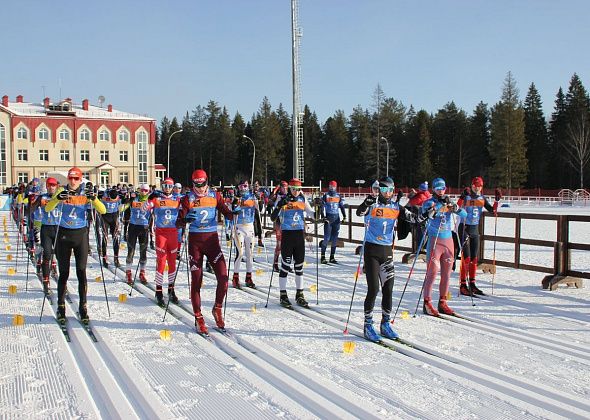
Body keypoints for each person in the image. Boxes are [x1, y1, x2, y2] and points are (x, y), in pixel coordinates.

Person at [356, 177, 424, 342]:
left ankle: (385, 324)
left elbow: (415, 219)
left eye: (391, 190)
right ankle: (368, 325)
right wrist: (367, 201)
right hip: (372, 251)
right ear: (379, 190)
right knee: (373, 289)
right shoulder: (373, 204)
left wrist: (430, 213)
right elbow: (360, 212)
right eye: (385, 190)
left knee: (388, 289)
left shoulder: (396, 207)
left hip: (387, 252)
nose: (388, 193)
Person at [177, 169, 235, 334]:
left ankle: (217, 308)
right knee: (196, 280)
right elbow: (178, 222)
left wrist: (233, 213)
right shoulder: (187, 198)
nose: (200, 188)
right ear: (193, 183)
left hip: (212, 243)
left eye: (202, 184)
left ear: (206, 181)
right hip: (195, 243)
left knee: (224, 278)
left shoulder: (215, 195)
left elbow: (225, 211)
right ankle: (198, 316)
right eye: (197, 184)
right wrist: (184, 220)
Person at [45, 167, 106, 323]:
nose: (72, 181)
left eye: (76, 179)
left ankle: (83, 307)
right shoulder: (61, 191)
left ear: (80, 179)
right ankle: (61, 307)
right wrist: (57, 199)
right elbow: (47, 208)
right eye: (70, 178)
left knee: (81, 272)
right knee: (64, 273)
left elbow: (103, 210)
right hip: (64, 235)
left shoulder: (85, 193)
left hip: (80, 235)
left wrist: (94, 198)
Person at [420, 178, 467, 316]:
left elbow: (464, 215)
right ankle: (427, 302)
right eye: (438, 188)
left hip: (448, 241)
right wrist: (440, 206)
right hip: (435, 240)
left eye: (443, 188)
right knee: (432, 273)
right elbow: (427, 214)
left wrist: (455, 208)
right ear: (433, 189)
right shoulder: (429, 202)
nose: (441, 191)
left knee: (447, 273)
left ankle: (442, 302)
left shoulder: (448, 200)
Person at [270, 178, 316, 308]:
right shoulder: (283, 198)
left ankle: (299, 294)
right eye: (294, 189)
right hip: (288, 235)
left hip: (299, 235)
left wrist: (318, 212)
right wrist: (280, 205)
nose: (296, 192)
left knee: (299, 267)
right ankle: (283, 295)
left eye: (298, 189)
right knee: (285, 266)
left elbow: (311, 213)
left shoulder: (302, 198)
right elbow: (273, 217)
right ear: (290, 188)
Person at [457, 177, 500, 296]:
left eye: (479, 186)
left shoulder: (482, 198)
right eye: (475, 186)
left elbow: (493, 211)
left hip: (475, 229)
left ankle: (472, 283)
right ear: (471, 186)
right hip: (464, 228)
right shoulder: (467, 195)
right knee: (466, 258)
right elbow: (457, 207)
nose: (477, 188)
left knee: (474, 258)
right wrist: (462, 196)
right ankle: (462, 285)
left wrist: (497, 200)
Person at [144, 177, 181, 306]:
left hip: (173, 233)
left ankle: (171, 289)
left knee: (172, 263)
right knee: (161, 262)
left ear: (173, 187)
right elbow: (144, 209)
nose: (167, 188)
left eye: (169, 186)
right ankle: (158, 291)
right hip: (161, 234)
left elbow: (187, 210)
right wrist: (149, 198)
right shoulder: (157, 199)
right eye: (165, 186)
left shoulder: (178, 199)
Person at [121, 184, 151, 285]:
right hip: (133, 227)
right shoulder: (134, 199)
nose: (143, 192)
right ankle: (128, 273)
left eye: (146, 190)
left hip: (144, 227)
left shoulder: (151, 201)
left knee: (143, 252)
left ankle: (142, 273)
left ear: (148, 191)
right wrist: (125, 201)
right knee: (131, 251)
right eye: (142, 190)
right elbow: (122, 208)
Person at [36, 178, 61, 294]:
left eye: (53, 185)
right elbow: (34, 207)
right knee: (46, 254)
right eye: (49, 185)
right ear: (46, 186)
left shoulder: (61, 196)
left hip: (58, 228)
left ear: (56, 186)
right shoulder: (43, 197)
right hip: (46, 228)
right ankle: (46, 279)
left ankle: (61, 280)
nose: (51, 187)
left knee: (59, 253)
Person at [231, 180, 257, 289]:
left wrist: (257, 201)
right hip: (239, 227)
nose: (243, 188)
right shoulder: (236, 197)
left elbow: (258, 207)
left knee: (250, 254)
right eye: (241, 186)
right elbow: (233, 209)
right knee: (240, 253)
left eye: (245, 186)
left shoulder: (252, 196)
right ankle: (235, 277)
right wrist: (236, 204)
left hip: (249, 227)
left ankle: (249, 277)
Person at [319, 180, 347, 264]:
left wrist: (344, 216)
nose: (332, 188)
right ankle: (323, 256)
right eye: (330, 186)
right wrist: (323, 217)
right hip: (328, 219)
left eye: (333, 186)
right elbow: (322, 207)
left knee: (335, 239)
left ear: (336, 187)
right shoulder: (325, 196)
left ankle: (332, 257)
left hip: (336, 219)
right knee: (327, 238)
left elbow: (342, 207)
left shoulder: (338, 196)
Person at [267, 181, 289, 272]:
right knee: (279, 244)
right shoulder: (277, 195)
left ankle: (286, 264)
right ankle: (275, 263)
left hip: (288, 222)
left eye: (285, 187)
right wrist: (275, 190)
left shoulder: (289, 196)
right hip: (279, 221)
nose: (284, 189)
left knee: (288, 244)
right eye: (282, 187)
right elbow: (269, 199)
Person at [99, 187, 123, 268]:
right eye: (111, 198)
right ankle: (104, 258)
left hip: (114, 217)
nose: (113, 199)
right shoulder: (104, 194)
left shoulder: (118, 196)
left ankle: (116, 258)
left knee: (115, 237)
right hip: (105, 217)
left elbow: (121, 205)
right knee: (105, 237)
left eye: (115, 198)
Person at [407, 182, 432, 254]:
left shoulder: (420, 196)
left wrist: (412, 195)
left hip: (420, 218)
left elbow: (411, 202)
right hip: (427, 217)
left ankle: (419, 248)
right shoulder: (428, 194)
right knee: (426, 233)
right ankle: (424, 247)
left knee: (419, 233)